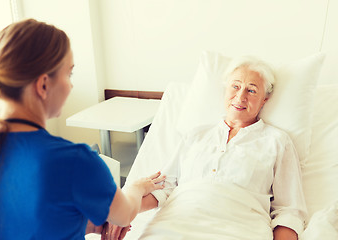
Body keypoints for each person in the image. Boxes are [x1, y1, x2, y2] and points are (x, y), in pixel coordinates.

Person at [0, 19, 165, 240]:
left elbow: (23, 220)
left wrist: (85, 225)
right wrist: (136, 187)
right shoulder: (74, 160)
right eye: (69, 74)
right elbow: (124, 216)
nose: (71, 85)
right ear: (43, 85)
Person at [104, 56, 307, 240]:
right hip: (173, 225)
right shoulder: (196, 134)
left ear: (265, 100)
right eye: (235, 86)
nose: (241, 96)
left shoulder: (277, 141)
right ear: (225, 90)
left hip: (241, 229)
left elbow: (289, 211)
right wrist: (122, 213)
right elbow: (162, 187)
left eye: (251, 90)